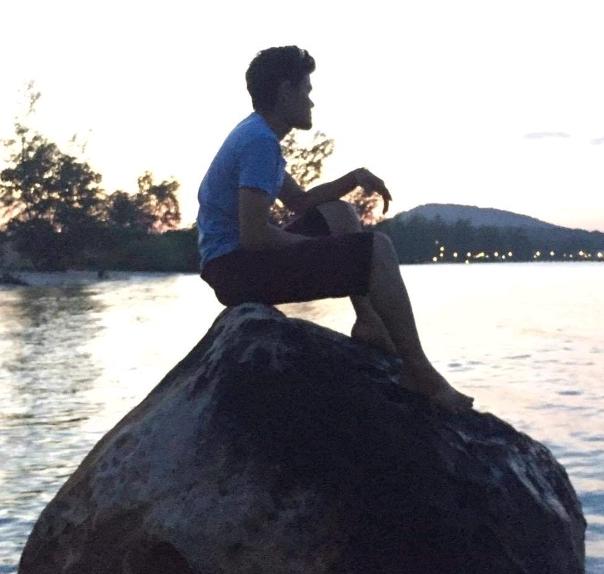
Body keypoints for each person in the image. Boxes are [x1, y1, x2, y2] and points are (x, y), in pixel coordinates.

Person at [197, 45, 473, 412]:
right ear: (285, 91)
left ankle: (369, 321)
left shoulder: (257, 135)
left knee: (339, 213)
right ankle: (418, 371)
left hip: (234, 265)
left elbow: (299, 202)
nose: (311, 101)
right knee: (376, 249)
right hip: (235, 271)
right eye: (306, 90)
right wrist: (320, 250)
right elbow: (255, 235)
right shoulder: (259, 142)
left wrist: (354, 178)